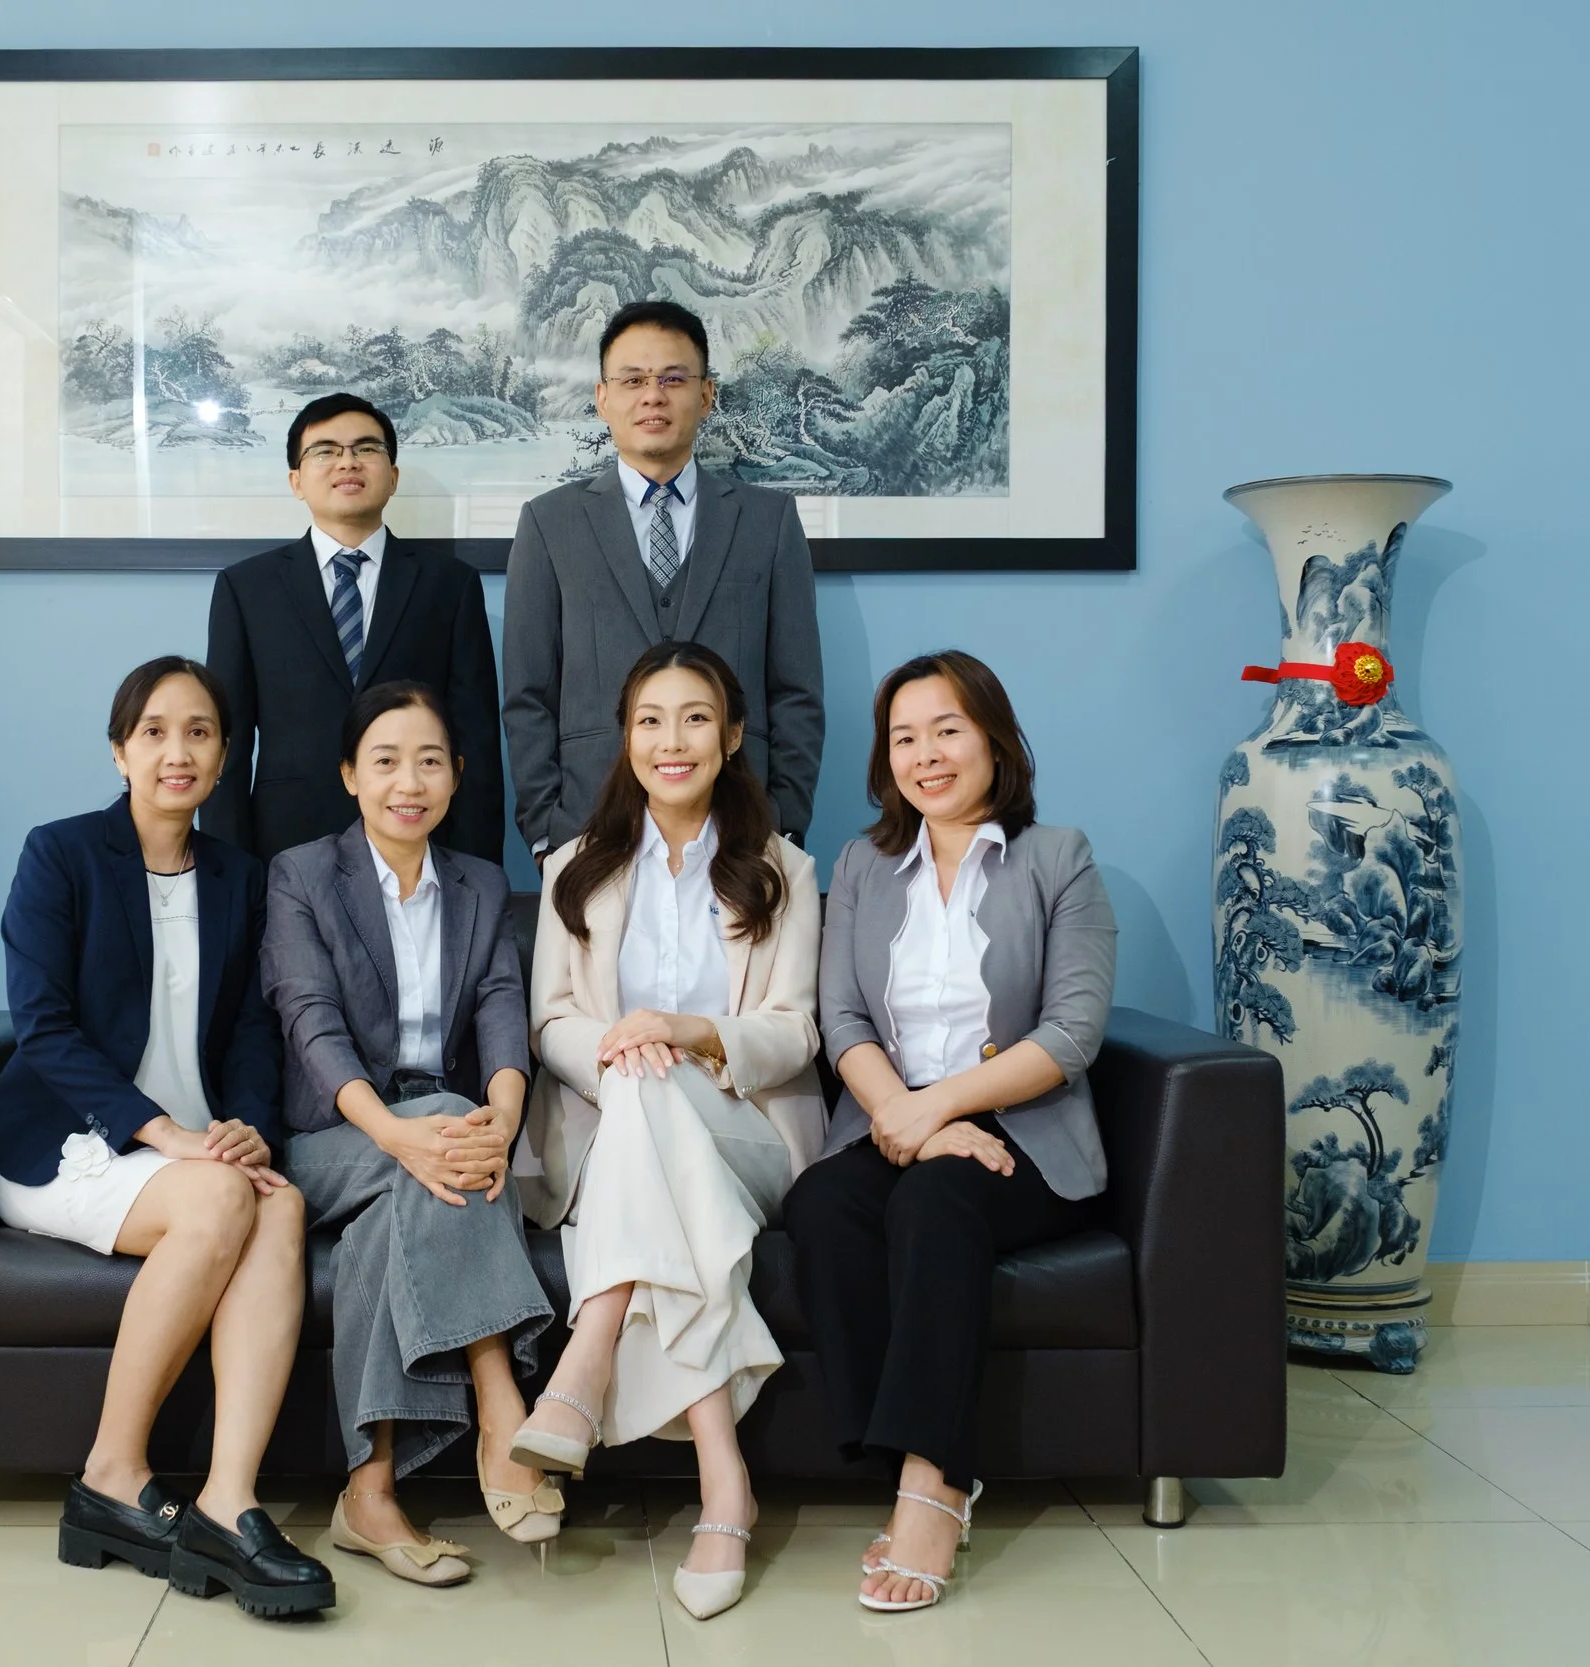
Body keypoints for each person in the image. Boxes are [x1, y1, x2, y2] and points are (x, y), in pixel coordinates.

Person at [0, 656, 334, 1620]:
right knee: (220, 1198)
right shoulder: (61, 854)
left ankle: (227, 1500)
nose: (179, 751)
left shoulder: (240, 877)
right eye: (157, 731)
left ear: (225, 754)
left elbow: (250, 1031)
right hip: (70, 1142)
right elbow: (43, 1027)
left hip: (194, 1151)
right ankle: (111, 1473)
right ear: (120, 751)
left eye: (200, 732)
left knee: (279, 1202)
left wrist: (246, 1130)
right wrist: (165, 1132)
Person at [784, 650, 1117, 1614]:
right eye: (904, 738)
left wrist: (941, 1110)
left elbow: (1073, 1032)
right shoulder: (862, 864)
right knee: (822, 1201)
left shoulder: (1058, 857)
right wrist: (907, 1114)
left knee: (935, 1199)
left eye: (947, 730)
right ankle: (889, 1454)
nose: (925, 755)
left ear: (994, 741)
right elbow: (842, 1017)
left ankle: (935, 1482)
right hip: (892, 1120)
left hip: (1021, 1133)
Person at [508, 640, 823, 1621]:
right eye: (650, 719)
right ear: (626, 736)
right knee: (644, 1092)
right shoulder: (574, 869)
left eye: (695, 718)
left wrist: (687, 1033)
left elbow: (794, 1029)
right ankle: (724, 1482)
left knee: (656, 1087)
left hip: (748, 1137)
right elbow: (552, 1020)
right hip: (618, 1129)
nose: (671, 740)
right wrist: (622, 1055)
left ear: (731, 737)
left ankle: (587, 1353)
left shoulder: (784, 869)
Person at [262, 682, 558, 1588]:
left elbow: (503, 1009)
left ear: (457, 775)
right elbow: (310, 1021)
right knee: (435, 1135)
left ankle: (370, 1491)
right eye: (386, 761)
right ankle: (502, 1400)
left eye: (430, 761)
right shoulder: (303, 874)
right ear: (350, 774)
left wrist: (503, 1119)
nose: (409, 781)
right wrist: (397, 1131)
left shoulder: (478, 882)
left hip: (446, 1136)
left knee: (393, 1219)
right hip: (336, 1132)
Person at [501, 299, 824, 859]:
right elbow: (528, 694)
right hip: (588, 826)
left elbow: (797, 690)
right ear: (602, 398)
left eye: (674, 378)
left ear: (706, 395)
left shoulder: (768, 521)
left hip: (742, 827)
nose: (653, 395)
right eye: (632, 380)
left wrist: (785, 823)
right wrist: (546, 832)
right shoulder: (548, 523)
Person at [204, 393, 506, 863]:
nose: (348, 462)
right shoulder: (246, 588)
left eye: (366, 448)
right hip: (287, 845)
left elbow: (476, 739)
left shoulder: (450, 585)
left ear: (393, 476)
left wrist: (478, 868)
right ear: (296, 480)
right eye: (325, 451)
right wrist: (227, 871)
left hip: (422, 844)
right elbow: (229, 744)